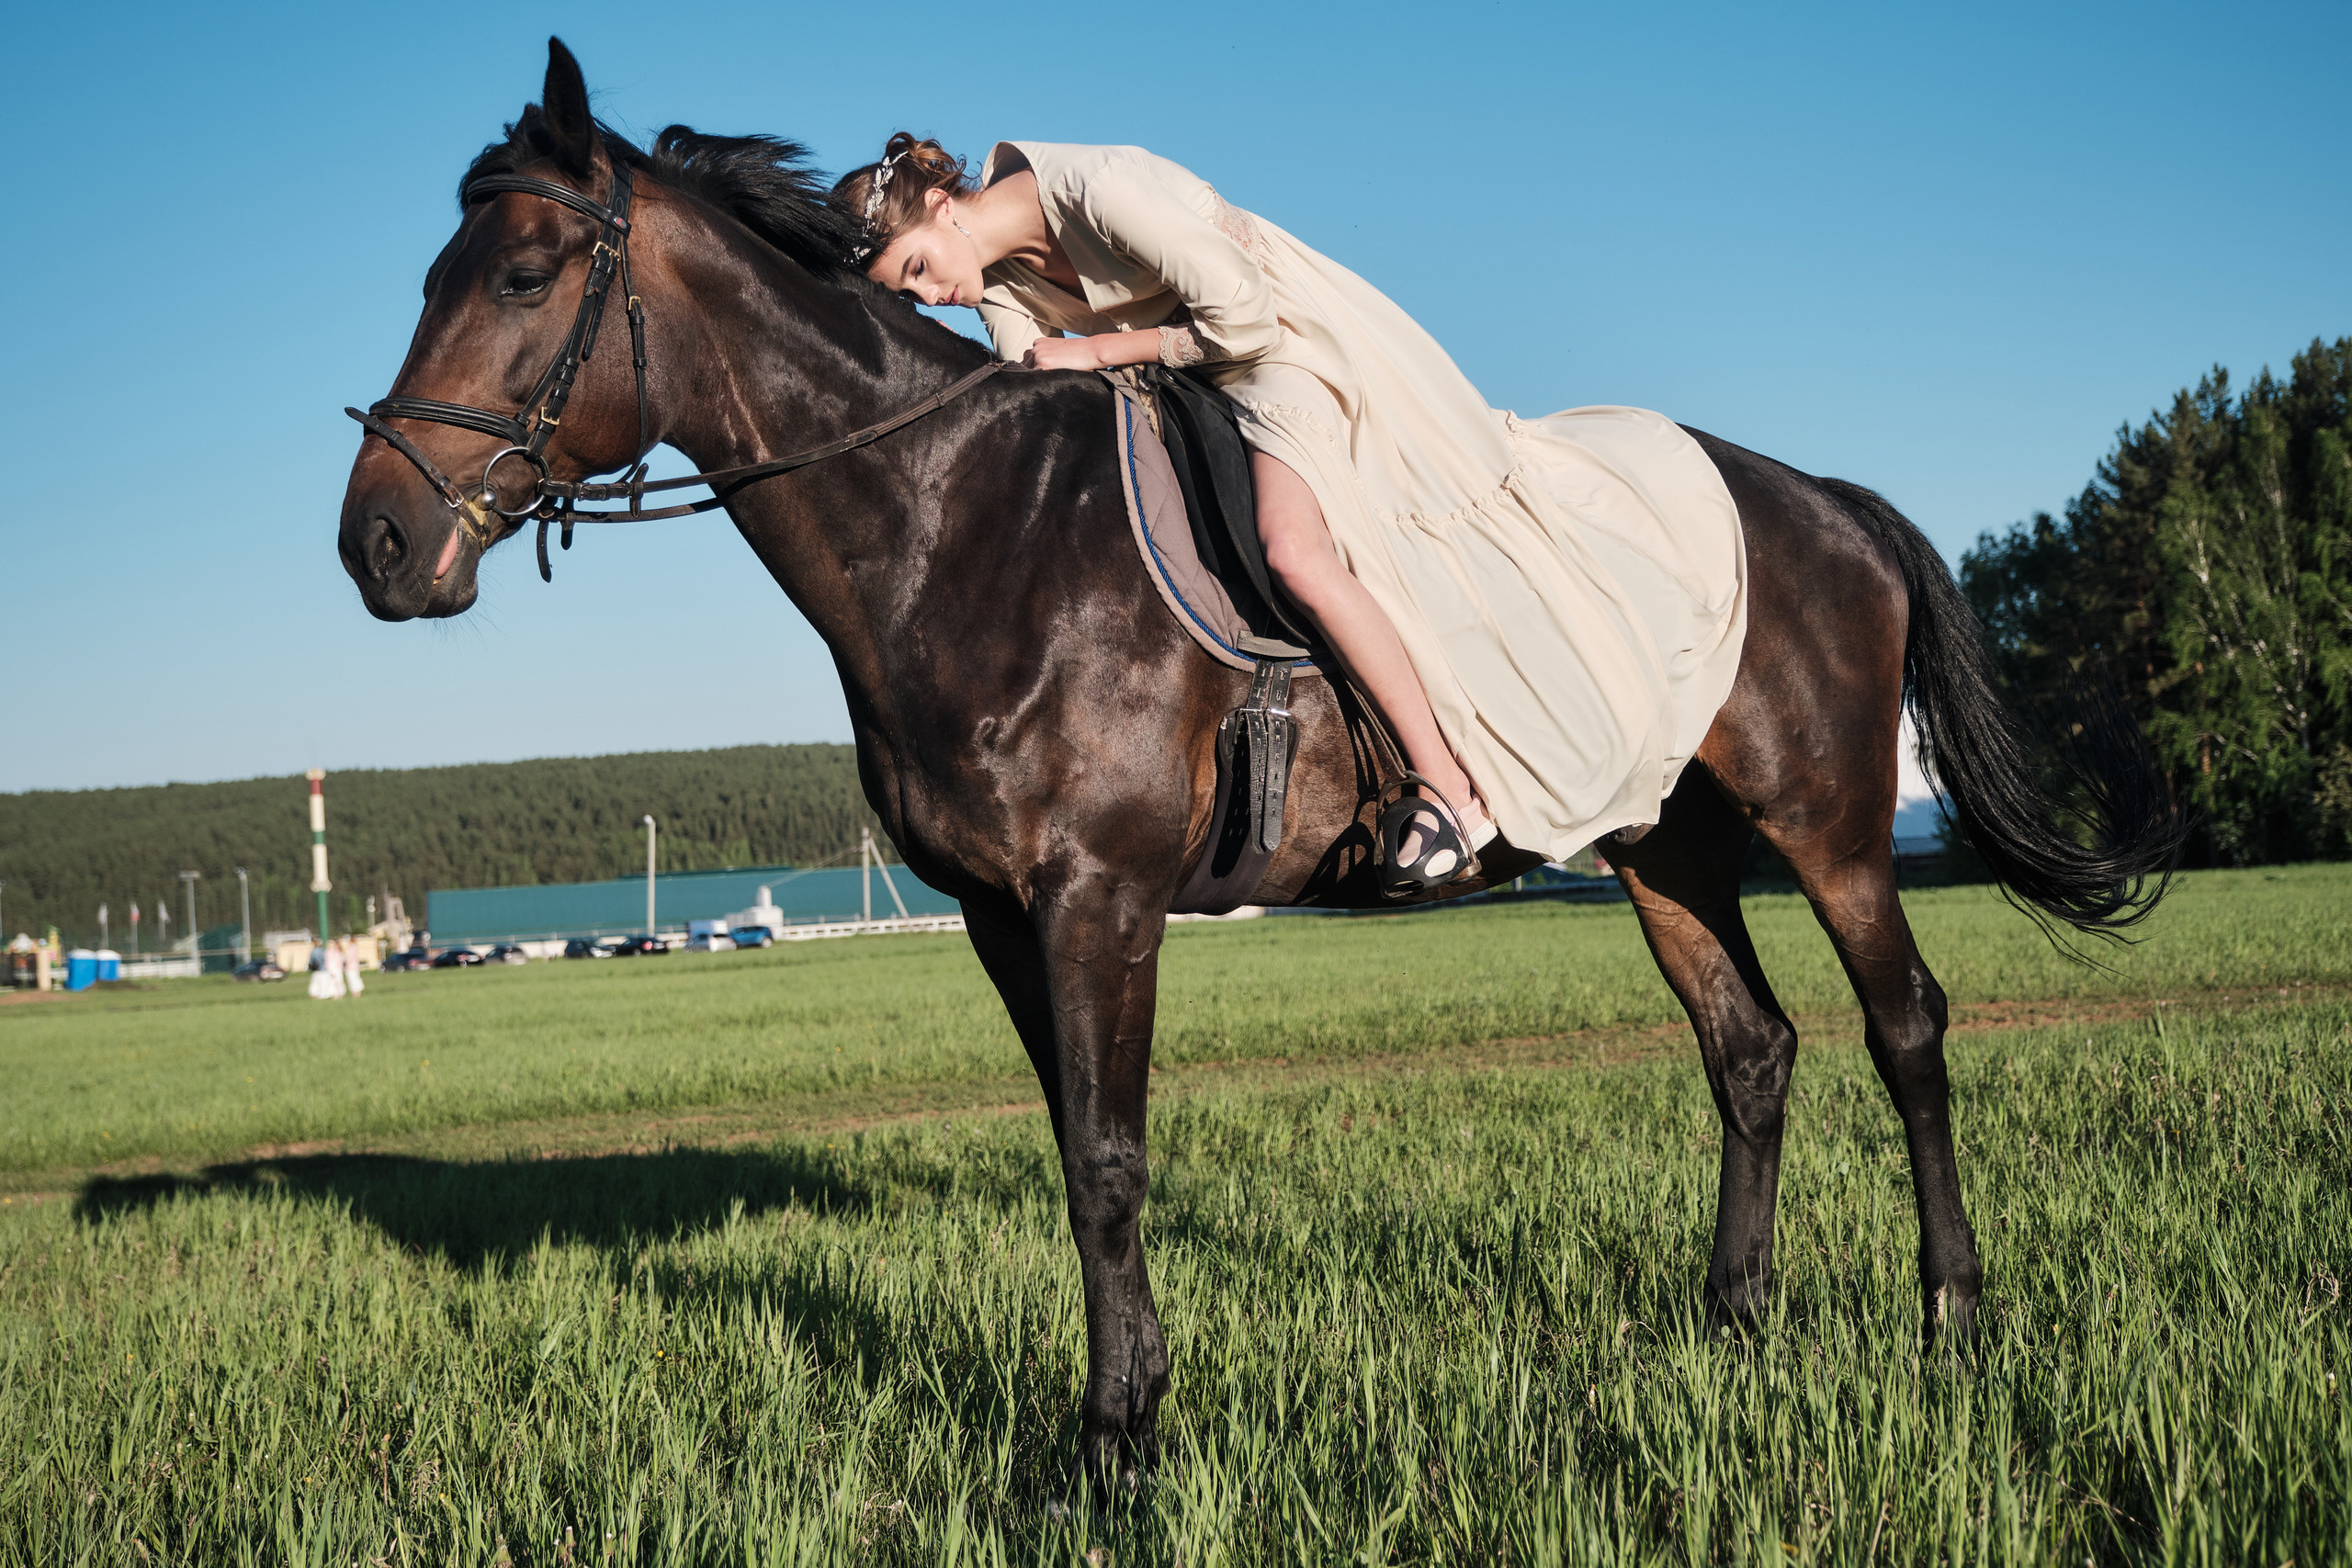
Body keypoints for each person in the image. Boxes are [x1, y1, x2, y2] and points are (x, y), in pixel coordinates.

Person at [837, 138, 1746, 893]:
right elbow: (1052, 398)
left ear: (946, 206)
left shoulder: (1099, 187)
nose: (929, 294)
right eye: (907, 292)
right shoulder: (993, 282)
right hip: (1179, 387)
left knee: (1293, 551)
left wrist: (1096, 350)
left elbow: (1244, 318)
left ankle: (1450, 790)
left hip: (1280, 351)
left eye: (918, 266)